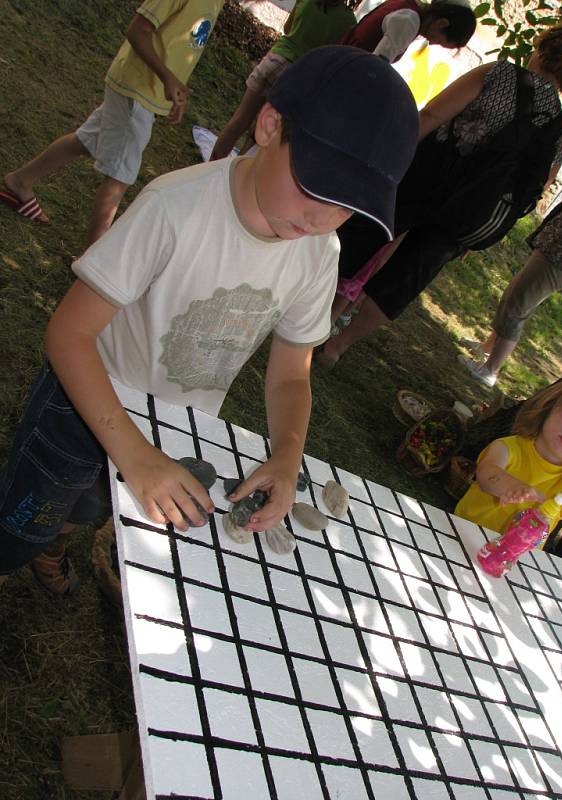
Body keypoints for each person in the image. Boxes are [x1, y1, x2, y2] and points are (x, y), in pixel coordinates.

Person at [0, 46, 419, 594]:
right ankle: (34, 545)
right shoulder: (174, 208)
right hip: (83, 405)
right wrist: (133, 454)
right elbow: (68, 334)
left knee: (95, 504)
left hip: (173, 428)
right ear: (270, 126)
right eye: (316, 187)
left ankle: (57, 536)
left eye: (347, 206)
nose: (323, 218)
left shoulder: (319, 253)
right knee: (24, 524)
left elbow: (292, 372)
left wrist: (288, 454)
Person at [317, 23, 562, 368]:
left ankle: (314, 315)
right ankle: (339, 346)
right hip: (467, 215)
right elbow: (530, 196)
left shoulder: (501, 74)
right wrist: (482, 223)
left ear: (541, 49)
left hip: (425, 176)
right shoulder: (560, 134)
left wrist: (390, 151)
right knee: (408, 276)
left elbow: (432, 113)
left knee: (364, 237)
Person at [0, 0, 224, 249]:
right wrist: (167, 78)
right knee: (120, 176)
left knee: (86, 142)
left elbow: (181, 48)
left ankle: (21, 180)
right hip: (135, 92)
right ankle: (91, 260)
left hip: (143, 94)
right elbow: (137, 31)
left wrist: (175, 85)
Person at [458, 124, 562, 388]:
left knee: (518, 307)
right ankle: (488, 348)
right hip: (558, 248)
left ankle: (491, 371)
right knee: (515, 295)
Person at [454, 373, 562, 546]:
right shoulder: (508, 447)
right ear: (549, 406)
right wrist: (514, 487)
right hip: (464, 536)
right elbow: (486, 475)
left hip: (514, 561)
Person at [209, 0, 358, 162]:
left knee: (239, 119)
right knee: (258, 134)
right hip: (298, 75)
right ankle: (237, 177)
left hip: (275, 59)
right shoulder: (349, 22)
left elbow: (288, 28)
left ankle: (208, 169)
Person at [339, 0, 476, 63]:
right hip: (346, 63)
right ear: (441, 23)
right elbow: (375, 65)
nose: (433, 43)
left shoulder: (409, 8)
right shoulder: (408, 22)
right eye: (440, 41)